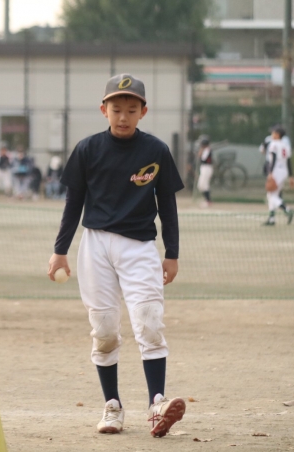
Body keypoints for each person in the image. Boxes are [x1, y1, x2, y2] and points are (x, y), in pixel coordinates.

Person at [47, 74, 186, 438]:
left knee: (150, 322)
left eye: (131, 109)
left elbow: (167, 205)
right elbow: (73, 203)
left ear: (143, 112)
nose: (123, 116)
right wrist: (60, 251)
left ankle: (157, 405)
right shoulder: (88, 149)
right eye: (116, 109)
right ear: (103, 110)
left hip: (139, 247)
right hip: (96, 245)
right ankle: (112, 406)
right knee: (105, 330)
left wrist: (171, 253)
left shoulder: (155, 151)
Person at [263, 126, 294, 226]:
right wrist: (291, 176)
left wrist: (270, 173)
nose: (272, 134)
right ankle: (272, 219)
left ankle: (287, 210)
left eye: (273, 132)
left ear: (277, 135)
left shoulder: (273, 144)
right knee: (274, 195)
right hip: (284, 171)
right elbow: (289, 162)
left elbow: (274, 159)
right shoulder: (286, 145)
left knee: (271, 195)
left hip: (276, 171)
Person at [196, 137, 213, 208]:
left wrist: (201, 151)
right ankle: (207, 200)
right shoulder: (205, 150)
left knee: (204, 185)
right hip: (203, 168)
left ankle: (208, 201)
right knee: (201, 186)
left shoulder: (207, 150)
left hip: (207, 168)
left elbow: (203, 158)